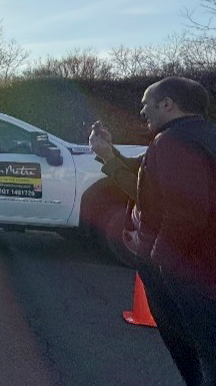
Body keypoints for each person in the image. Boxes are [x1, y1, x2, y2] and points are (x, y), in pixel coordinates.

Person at [89, 76, 216, 386]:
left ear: (167, 104)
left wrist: (155, 256)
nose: (143, 112)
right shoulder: (196, 136)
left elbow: (184, 212)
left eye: (146, 104)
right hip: (200, 269)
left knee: (200, 352)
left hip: (186, 274)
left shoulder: (173, 143)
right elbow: (147, 180)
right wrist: (107, 153)